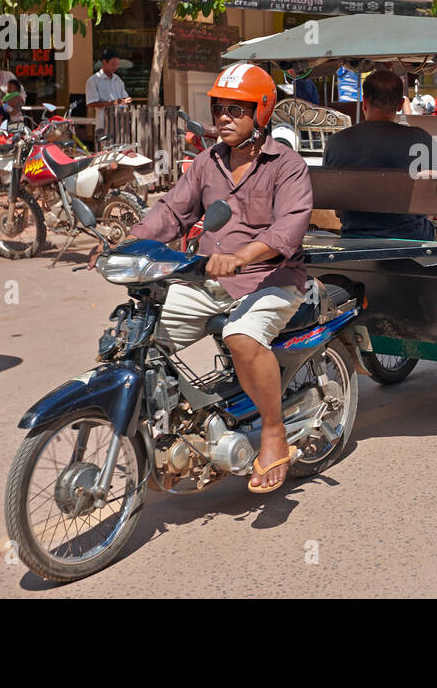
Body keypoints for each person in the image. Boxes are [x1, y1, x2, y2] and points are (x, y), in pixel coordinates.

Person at [117, 63, 313, 492]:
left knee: (241, 336)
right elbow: (172, 211)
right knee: (140, 339)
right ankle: (171, 432)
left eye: (236, 110)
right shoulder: (207, 162)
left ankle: (274, 431)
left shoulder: (288, 165)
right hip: (208, 280)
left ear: (261, 113)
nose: (224, 117)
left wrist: (242, 256)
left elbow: (288, 229)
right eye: (219, 108)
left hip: (272, 278)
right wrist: (128, 242)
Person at [323, 69, 437, 240]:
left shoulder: (335, 142)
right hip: (412, 237)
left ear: (364, 102)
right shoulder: (420, 138)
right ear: (400, 105)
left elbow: (337, 208)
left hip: (355, 237)